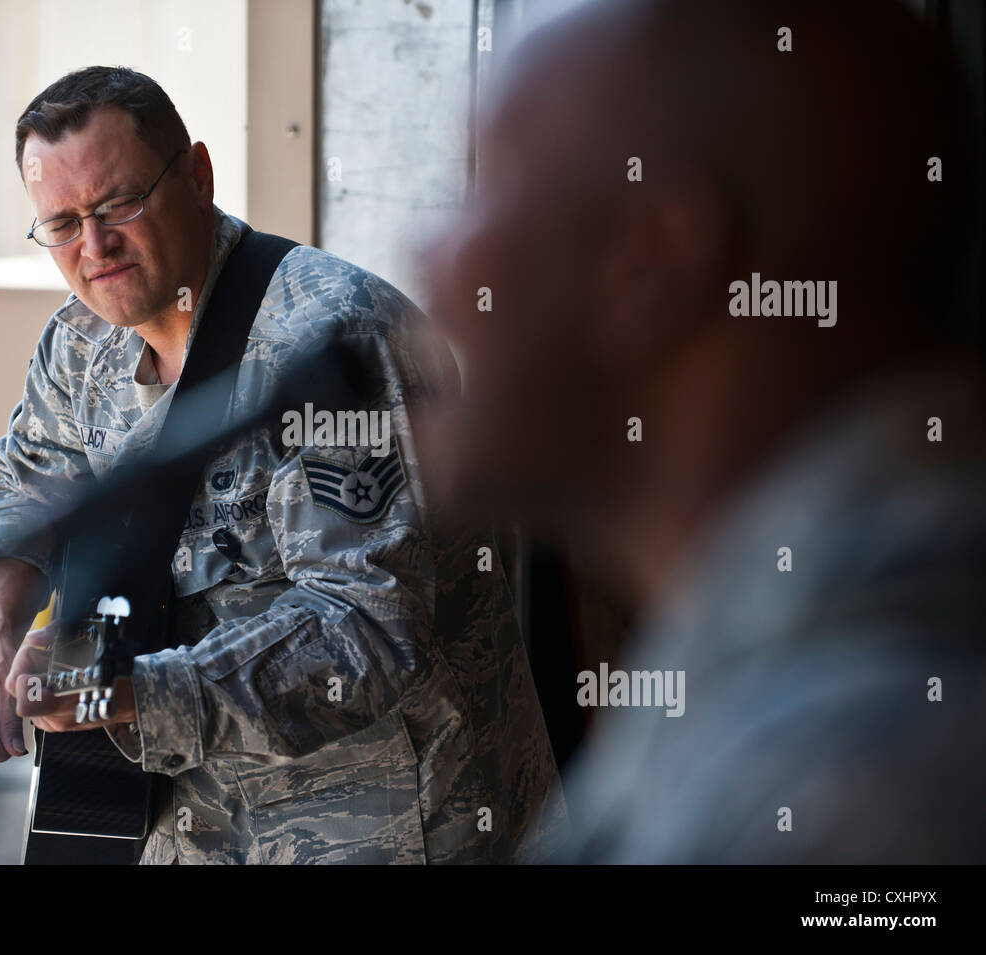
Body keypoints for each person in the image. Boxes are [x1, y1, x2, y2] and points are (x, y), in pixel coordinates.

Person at [0, 66, 564, 863]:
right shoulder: (79, 342)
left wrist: (125, 693)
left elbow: (365, 627)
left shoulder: (335, 341)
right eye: (61, 224)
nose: (93, 247)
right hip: (189, 824)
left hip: (389, 826)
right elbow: (23, 489)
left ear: (197, 175)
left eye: (118, 205)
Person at [414, 0, 986, 862]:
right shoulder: (784, 679)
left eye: (484, 186)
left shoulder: (838, 783)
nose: (431, 253)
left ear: (649, 262)